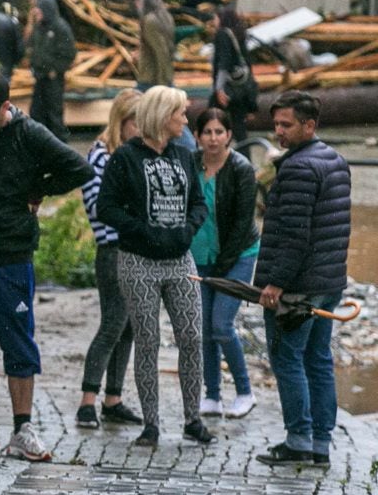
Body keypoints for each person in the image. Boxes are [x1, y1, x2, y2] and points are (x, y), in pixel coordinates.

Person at [0, 71, 93, 461]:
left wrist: (39, 187)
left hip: (11, 254)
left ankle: (23, 426)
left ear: (4, 107)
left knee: (18, 341)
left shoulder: (30, 135)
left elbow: (79, 168)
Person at [95, 86, 212, 446]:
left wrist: (187, 230)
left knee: (191, 337)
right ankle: (152, 423)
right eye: (180, 113)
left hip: (180, 260)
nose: (185, 120)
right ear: (163, 116)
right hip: (138, 262)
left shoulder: (184, 154)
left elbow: (198, 203)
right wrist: (141, 231)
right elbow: (107, 208)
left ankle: (193, 419)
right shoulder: (126, 158)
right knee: (148, 341)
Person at [253, 91, 351, 466]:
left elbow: (294, 234)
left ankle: (298, 440)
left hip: (298, 287)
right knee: (318, 359)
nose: (278, 131)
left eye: (286, 125)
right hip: (327, 283)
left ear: (309, 125)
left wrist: (276, 282)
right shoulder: (335, 160)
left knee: (288, 358)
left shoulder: (297, 168)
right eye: (276, 124)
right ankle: (320, 444)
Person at [74, 89, 146, 430]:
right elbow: (98, 207)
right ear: (123, 121)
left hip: (136, 248)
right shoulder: (102, 155)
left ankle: (113, 397)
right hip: (114, 248)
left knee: (129, 326)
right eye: (136, 123)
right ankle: (88, 398)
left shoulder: (135, 153)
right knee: (113, 323)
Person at [190, 107, 261, 420]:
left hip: (237, 256)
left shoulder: (241, 169)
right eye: (207, 132)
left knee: (221, 324)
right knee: (204, 329)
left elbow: (244, 223)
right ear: (198, 136)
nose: (214, 138)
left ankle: (245, 391)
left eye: (220, 132)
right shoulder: (191, 163)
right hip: (199, 258)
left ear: (229, 135)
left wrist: (222, 265)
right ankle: (212, 395)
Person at [27, 0, 77, 140]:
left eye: (40, 11)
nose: (37, 14)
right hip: (39, 76)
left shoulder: (61, 28)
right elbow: (32, 47)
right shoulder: (39, 27)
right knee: (36, 112)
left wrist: (55, 69)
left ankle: (60, 144)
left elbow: (69, 55)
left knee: (54, 114)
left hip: (53, 78)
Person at [208, 5, 255, 145]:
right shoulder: (238, 33)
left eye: (215, 18)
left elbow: (224, 63)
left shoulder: (222, 34)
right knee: (239, 126)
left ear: (221, 19)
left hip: (226, 87)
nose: (214, 21)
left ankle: (216, 154)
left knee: (211, 121)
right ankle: (245, 157)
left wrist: (219, 89)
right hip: (239, 88)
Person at [134, 0, 175, 90]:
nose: (136, 3)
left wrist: (163, 86)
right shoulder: (166, 17)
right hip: (159, 78)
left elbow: (161, 52)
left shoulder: (150, 21)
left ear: (145, 1)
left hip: (150, 80)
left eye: (138, 0)